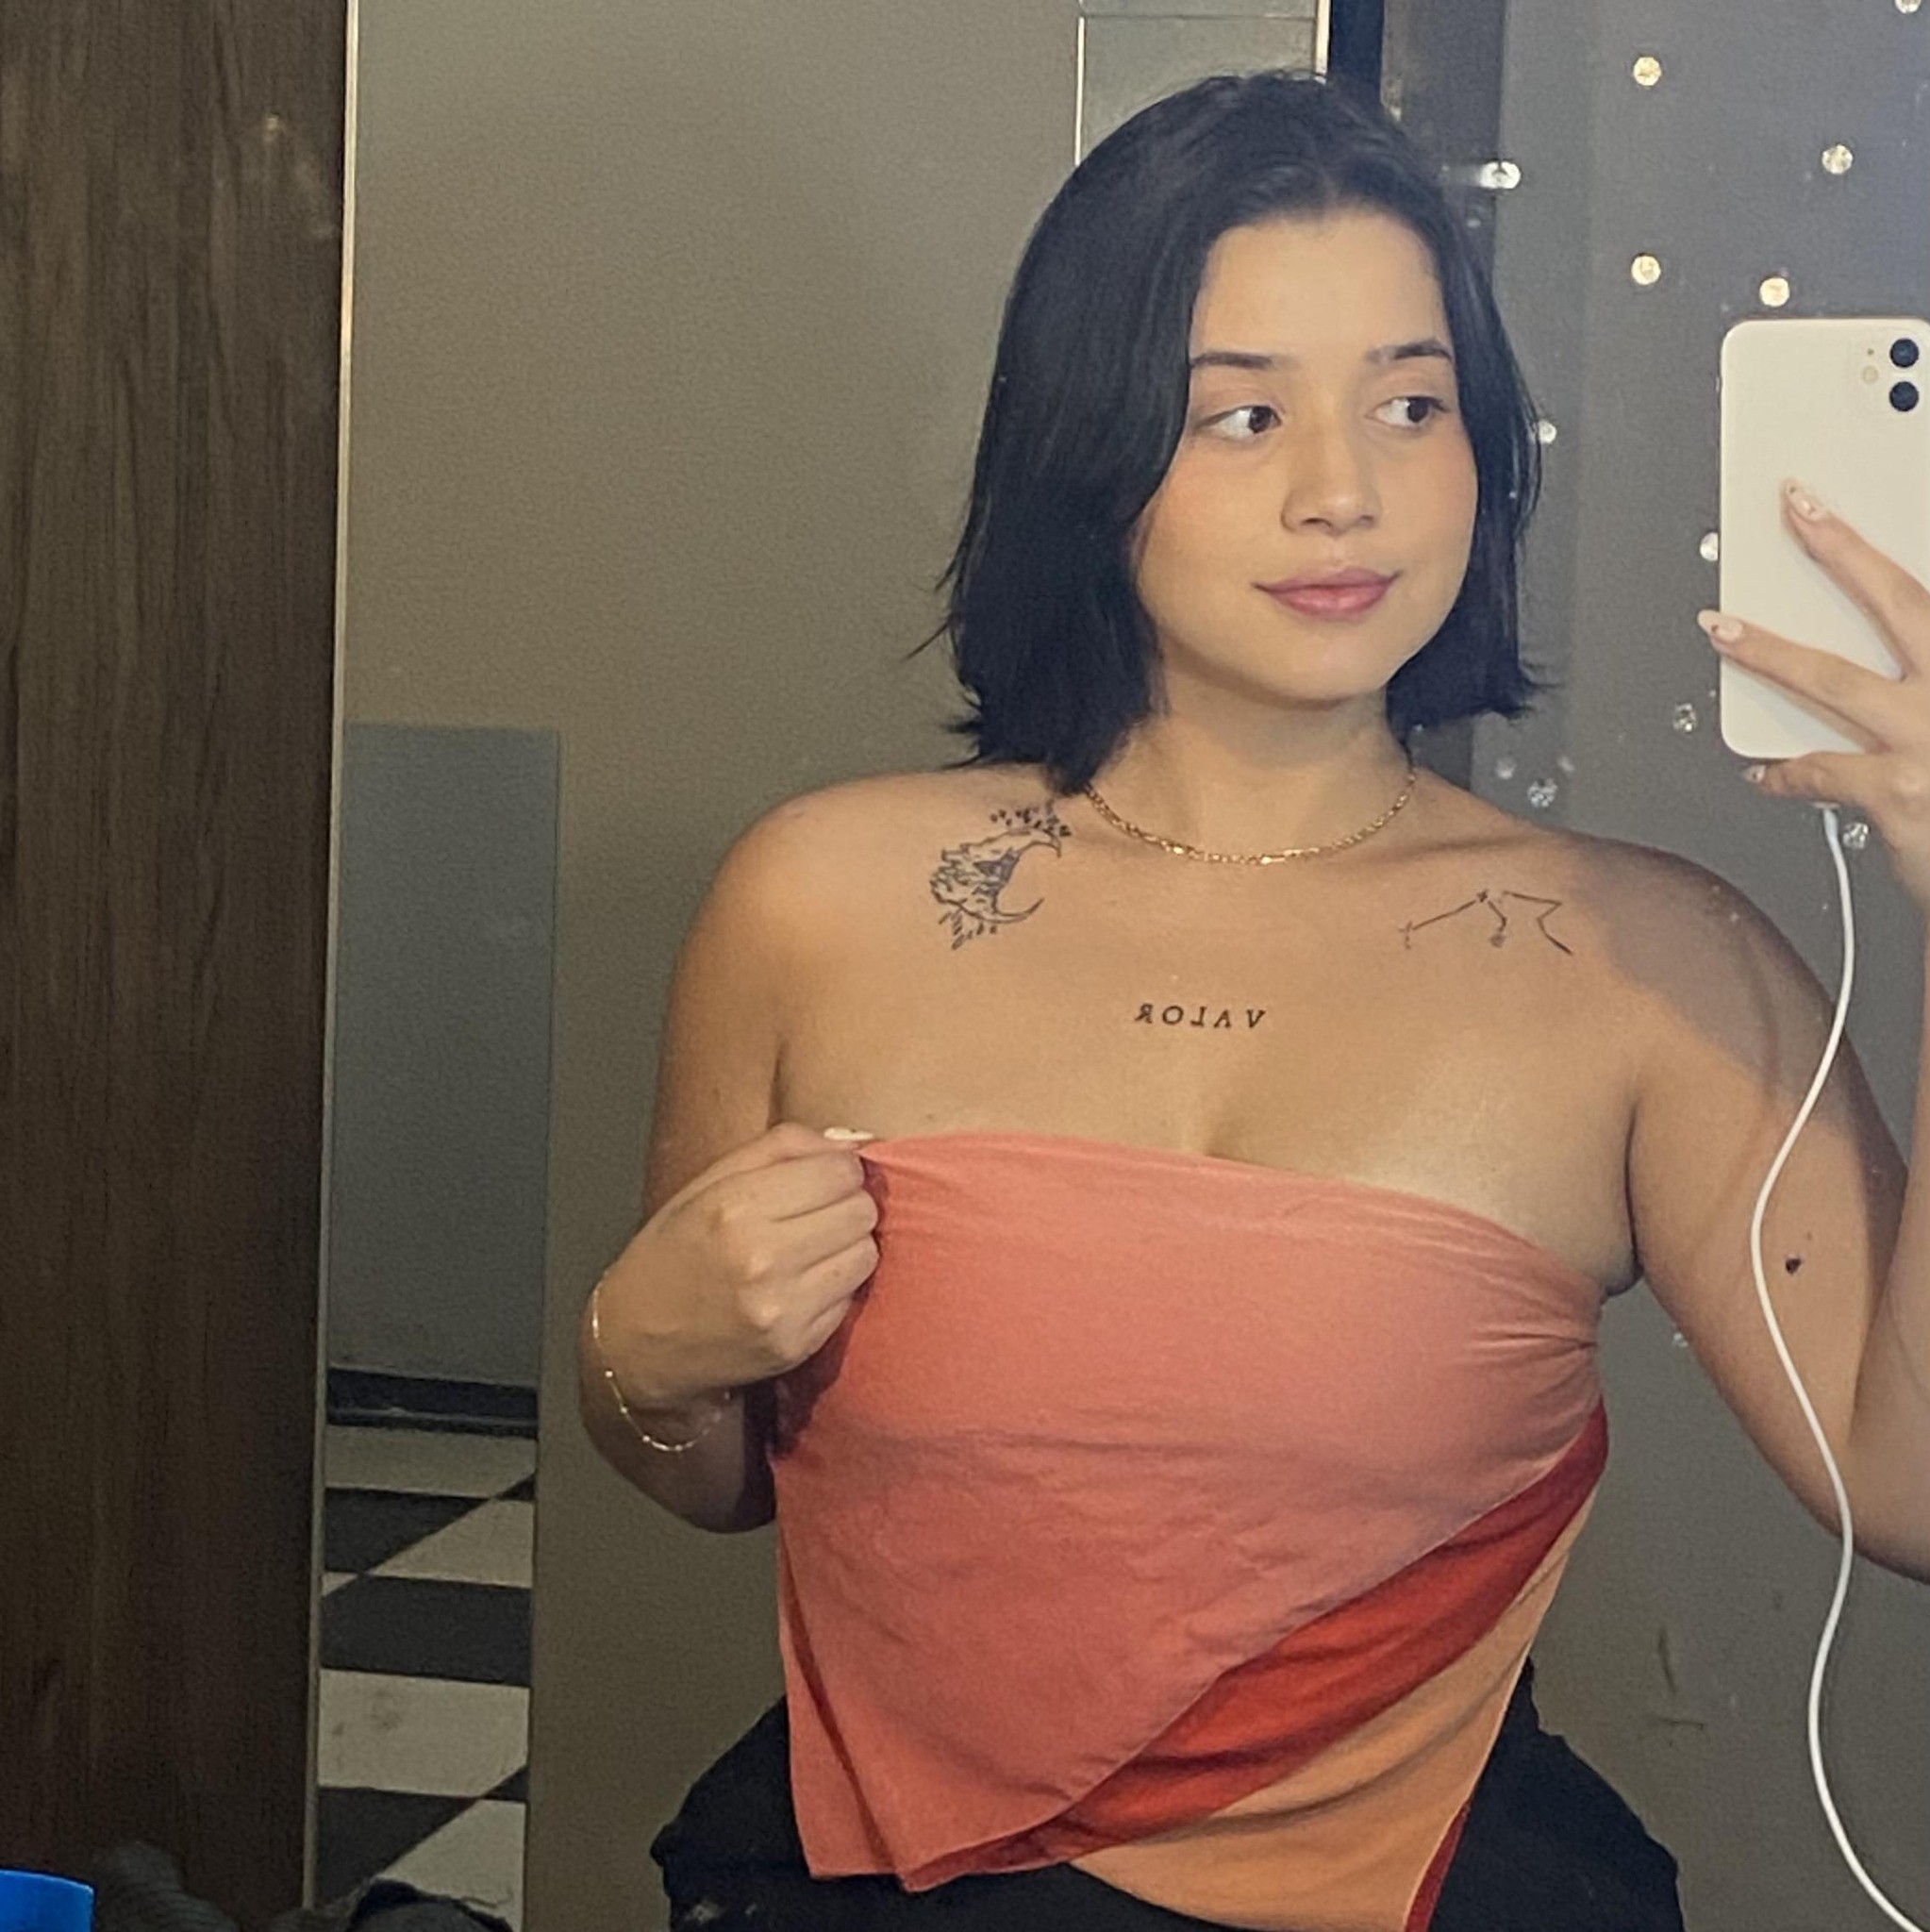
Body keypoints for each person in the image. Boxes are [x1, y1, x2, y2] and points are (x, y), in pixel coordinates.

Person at [577, 64, 1715, 1930]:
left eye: (1411, 403)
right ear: (1088, 449)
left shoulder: (1642, 960)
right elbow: (718, 1477)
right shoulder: (819, 898)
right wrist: (637, 1348)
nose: (1342, 492)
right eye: (1241, 414)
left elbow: (1905, 1482)